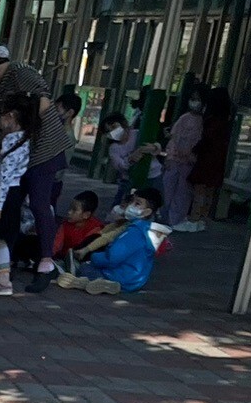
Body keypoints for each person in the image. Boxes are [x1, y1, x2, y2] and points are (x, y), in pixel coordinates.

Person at [0, 40, 71, 291]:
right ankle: (4, 263)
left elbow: (43, 103)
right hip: (18, 150)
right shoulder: (4, 84)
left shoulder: (21, 73)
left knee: (38, 202)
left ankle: (45, 261)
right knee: (12, 204)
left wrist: (20, 133)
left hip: (41, 150)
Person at [58, 185, 163, 296]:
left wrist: (94, 258)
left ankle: (91, 281)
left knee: (86, 267)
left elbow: (112, 257)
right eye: (132, 201)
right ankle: (96, 283)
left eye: (137, 203)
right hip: (135, 280)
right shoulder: (147, 230)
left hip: (120, 276)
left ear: (146, 212)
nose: (131, 206)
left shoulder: (135, 232)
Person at [0, 100, 33, 296]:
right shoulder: (24, 139)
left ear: (11, 116)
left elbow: (5, 176)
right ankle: (3, 280)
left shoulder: (13, 141)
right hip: (11, 194)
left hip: (5, 195)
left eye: (2, 116)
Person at [156, 86, 204, 234]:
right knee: (168, 189)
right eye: (193, 99)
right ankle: (165, 217)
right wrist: (170, 157)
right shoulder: (184, 119)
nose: (194, 102)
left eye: (198, 99)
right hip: (177, 160)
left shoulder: (203, 121)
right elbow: (174, 139)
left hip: (189, 162)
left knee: (182, 192)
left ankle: (175, 219)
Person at [185, 88, 233, 231]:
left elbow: (207, 139)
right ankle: (202, 218)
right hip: (218, 158)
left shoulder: (212, 120)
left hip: (207, 158)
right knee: (209, 190)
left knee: (200, 188)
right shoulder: (226, 120)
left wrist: (194, 150)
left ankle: (195, 218)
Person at [51, 190, 104, 265]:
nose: (69, 212)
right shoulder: (65, 225)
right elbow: (56, 245)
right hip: (64, 258)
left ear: (86, 215)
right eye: (70, 208)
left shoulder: (95, 229)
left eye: (74, 210)